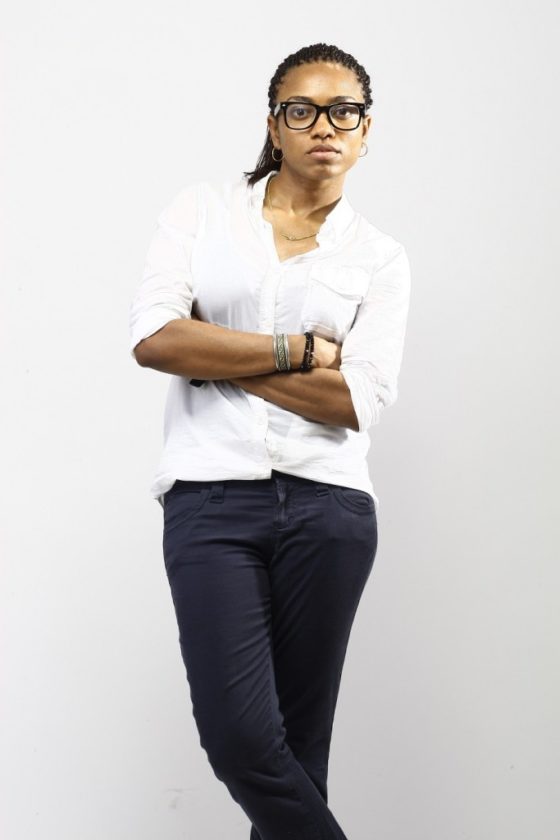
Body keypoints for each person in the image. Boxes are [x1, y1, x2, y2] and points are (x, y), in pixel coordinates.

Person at [129, 42, 411, 840]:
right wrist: (296, 352)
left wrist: (214, 351)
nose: (324, 125)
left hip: (331, 511)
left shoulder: (380, 258)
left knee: (298, 751)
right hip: (211, 501)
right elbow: (154, 339)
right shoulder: (202, 213)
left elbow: (356, 400)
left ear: (365, 131)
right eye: (302, 110)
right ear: (273, 124)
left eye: (343, 111)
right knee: (242, 742)